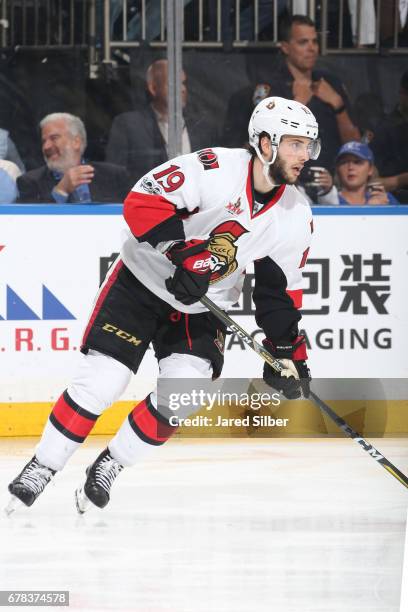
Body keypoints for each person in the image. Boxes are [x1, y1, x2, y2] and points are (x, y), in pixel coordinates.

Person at [7, 96, 318, 515]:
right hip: (140, 283)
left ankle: (111, 464)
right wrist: (179, 250)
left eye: (308, 145)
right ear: (265, 142)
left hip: (204, 307)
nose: (304, 155)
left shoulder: (296, 214)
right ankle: (43, 466)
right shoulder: (213, 169)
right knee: (102, 382)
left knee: (183, 396)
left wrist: (286, 350)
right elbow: (142, 200)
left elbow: (278, 292)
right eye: (294, 144)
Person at [223, 14, 360, 172]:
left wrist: (337, 104)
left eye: (315, 41)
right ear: (285, 47)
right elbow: (262, 146)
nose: (312, 48)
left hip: (330, 181)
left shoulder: (331, 83)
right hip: (286, 180)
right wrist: (298, 103)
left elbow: (354, 147)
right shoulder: (270, 89)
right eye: (303, 42)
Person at [106, 58, 218, 181]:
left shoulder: (202, 128)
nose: (182, 89)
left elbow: (213, 173)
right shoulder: (129, 125)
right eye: (174, 84)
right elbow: (115, 175)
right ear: (153, 88)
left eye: (183, 83)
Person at [17, 113, 130, 204]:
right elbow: (32, 225)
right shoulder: (29, 182)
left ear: (76, 142)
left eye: (54, 138)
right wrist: (61, 191)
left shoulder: (114, 175)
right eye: (44, 141)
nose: (46, 146)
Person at [318, 141, 400, 205]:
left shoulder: (384, 198)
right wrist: (371, 210)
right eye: (344, 162)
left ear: (370, 169)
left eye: (357, 162)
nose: (350, 167)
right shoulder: (328, 199)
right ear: (337, 169)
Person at [370, 69, 408, 203]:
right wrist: (403, 179)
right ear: (403, 94)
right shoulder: (385, 130)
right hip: (393, 205)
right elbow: (368, 182)